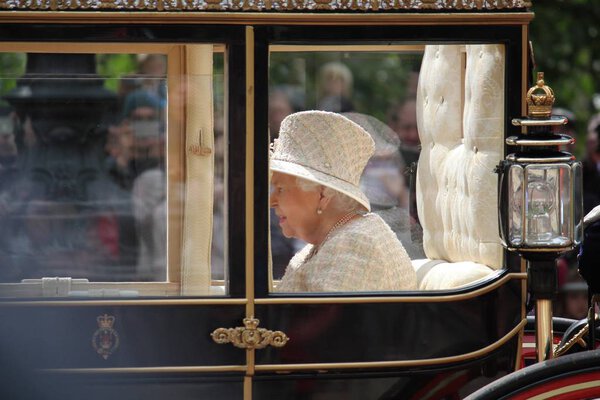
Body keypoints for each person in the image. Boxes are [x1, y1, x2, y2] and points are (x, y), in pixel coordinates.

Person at [270, 110, 417, 292]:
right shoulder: (328, 241)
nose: (272, 201)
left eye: (281, 189)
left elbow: (326, 319)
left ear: (322, 195)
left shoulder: (355, 243)